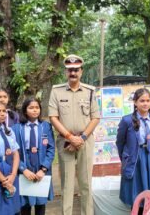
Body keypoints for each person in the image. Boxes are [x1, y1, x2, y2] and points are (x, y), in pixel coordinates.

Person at [49, 54, 100, 215]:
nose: (73, 73)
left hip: (85, 141)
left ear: (81, 71)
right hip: (65, 142)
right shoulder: (56, 91)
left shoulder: (90, 92)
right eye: (70, 70)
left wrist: (82, 138)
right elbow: (53, 118)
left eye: (76, 70)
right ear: (66, 72)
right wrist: (70, 138)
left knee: (85, 184)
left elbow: (95, 117)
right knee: (67, 184)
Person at [116, 88, 150, 214]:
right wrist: (127, 158)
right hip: (137, 160)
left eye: (148, 100)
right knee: (137, 192)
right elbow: (120, 143)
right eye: (141, 101)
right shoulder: (127, 120)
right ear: (135, 102)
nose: (145, 103)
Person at [12, 98, 56, 215]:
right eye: (31, 108)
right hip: (25, 167)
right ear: (25, 111)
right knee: (25, 205)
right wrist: (23, 169)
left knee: (40, 204)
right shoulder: (17, 128)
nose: (35, 110)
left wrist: (43, 169)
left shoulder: (45, 126)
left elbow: (51, 149)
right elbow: (13, 152)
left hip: (40, 167)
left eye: (37, 108)